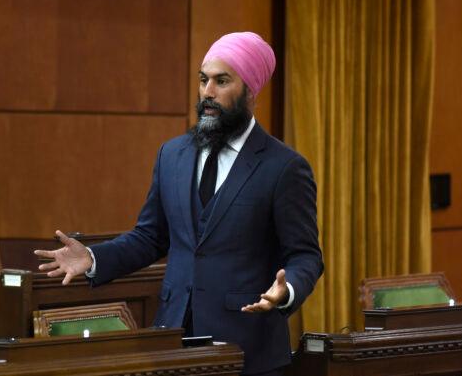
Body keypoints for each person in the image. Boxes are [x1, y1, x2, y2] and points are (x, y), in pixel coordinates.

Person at [34, 31, 324, 376]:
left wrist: (287, 289)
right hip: (172, 344)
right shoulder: (172, 154)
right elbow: (150, 237)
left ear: (250, 90)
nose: (208, 93)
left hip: (248, 350)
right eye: (203, 81)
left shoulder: (284, 167)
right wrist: (94, 258)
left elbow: (305, 255)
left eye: (221, 81)